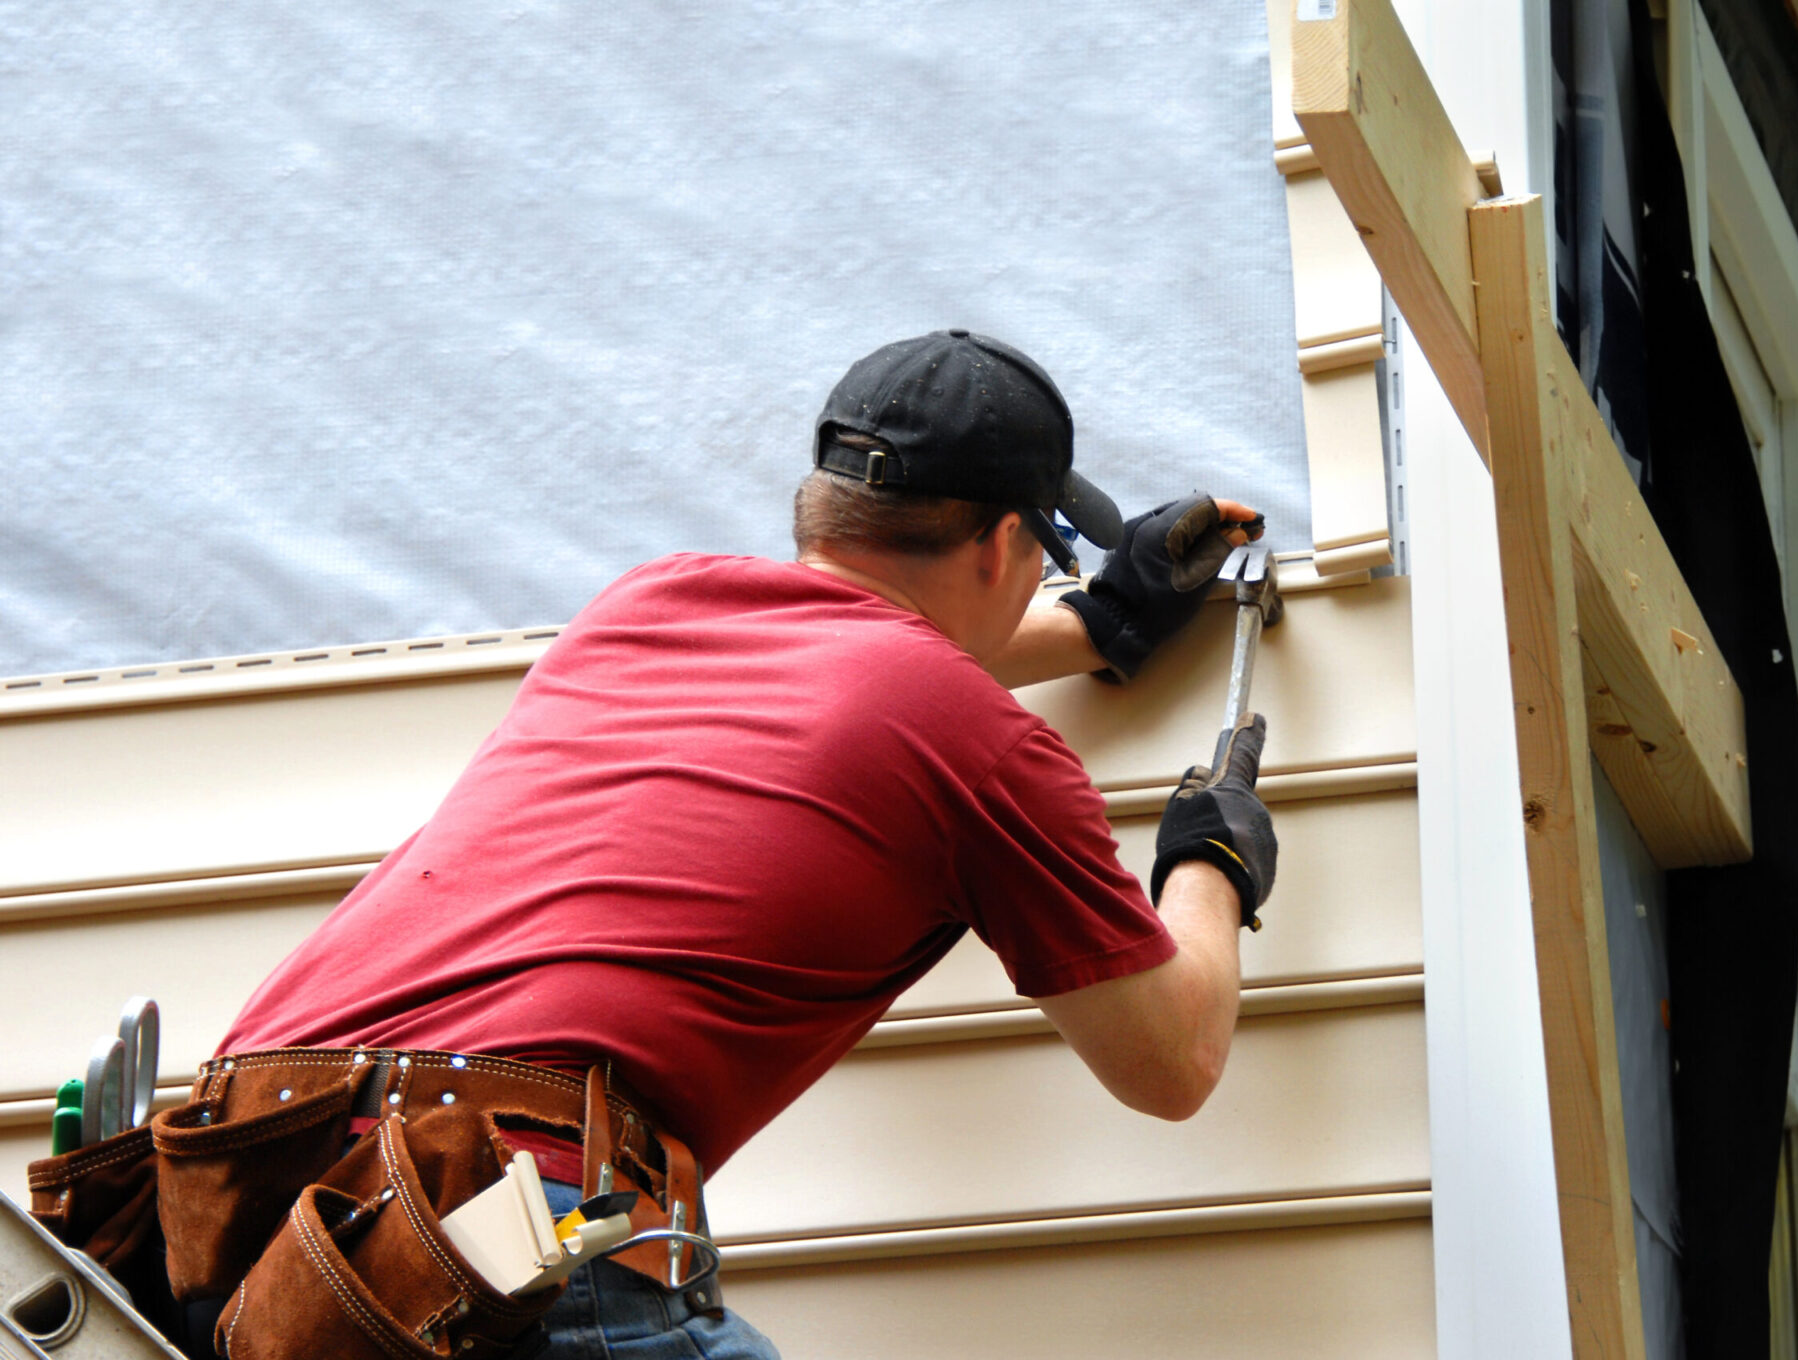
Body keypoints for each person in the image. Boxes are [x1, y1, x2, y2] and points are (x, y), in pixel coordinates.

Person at [201, 328, 1281, 1358]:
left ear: (824, 507)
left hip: (247, 1184)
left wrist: (1102, 622)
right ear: (1005, 544)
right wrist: (1209, 863)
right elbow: (1169, 1061)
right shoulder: (979, 743)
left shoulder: (645, 606)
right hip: (488, 1211)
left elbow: (850, 675)